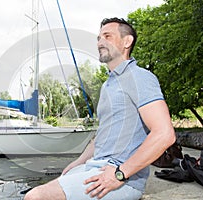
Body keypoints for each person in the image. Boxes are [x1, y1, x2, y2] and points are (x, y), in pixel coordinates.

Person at [24, 17, 176, 200]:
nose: (100, 42)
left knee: (36, 196)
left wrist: (120, 173)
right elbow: (101, 136)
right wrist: (78, 162)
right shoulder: (108, 86)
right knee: (48, 186)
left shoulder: (140, 77)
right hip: (94, 166)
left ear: (127, 42)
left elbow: (164, 134)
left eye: (107, 36)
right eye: (98, 38)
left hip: (121, 177)